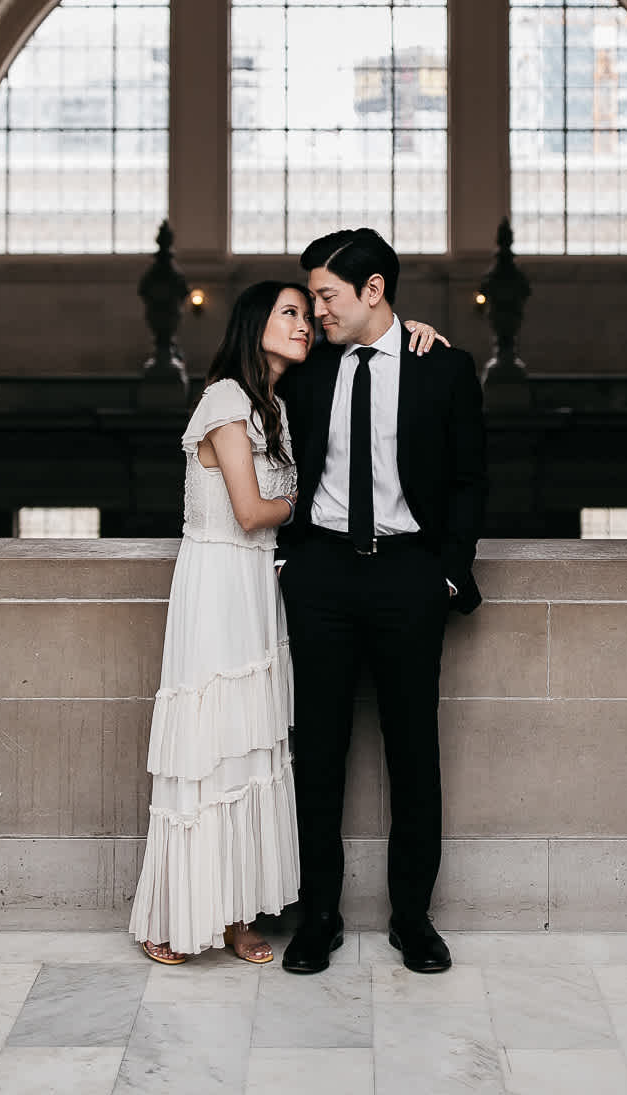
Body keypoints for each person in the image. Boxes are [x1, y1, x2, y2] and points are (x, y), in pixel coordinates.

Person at [129, 278, 447, 966]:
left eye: (309, 313)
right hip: (218, 586)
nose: (306, 324)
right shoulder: (222, 398)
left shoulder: (272, 401)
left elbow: (377, 347)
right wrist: (313, 504)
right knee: (208, 750)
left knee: (252, 749)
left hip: (257, 587)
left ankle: (236, 917)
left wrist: (418, 333)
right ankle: (173, 916)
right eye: (291, 313)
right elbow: (249, 511)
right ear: (254, 323)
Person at [277, 227, 486, 975]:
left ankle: (413, 920)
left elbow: (468, 482)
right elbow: (246, 368)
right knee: (318, 756)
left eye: (326, 296)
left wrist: (447, 574)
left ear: (374, 292)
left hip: (407, 578)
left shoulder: (445, 369)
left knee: (413, 755)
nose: (315, 312)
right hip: (323, 577)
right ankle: (318, 917)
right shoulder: (305, 370)